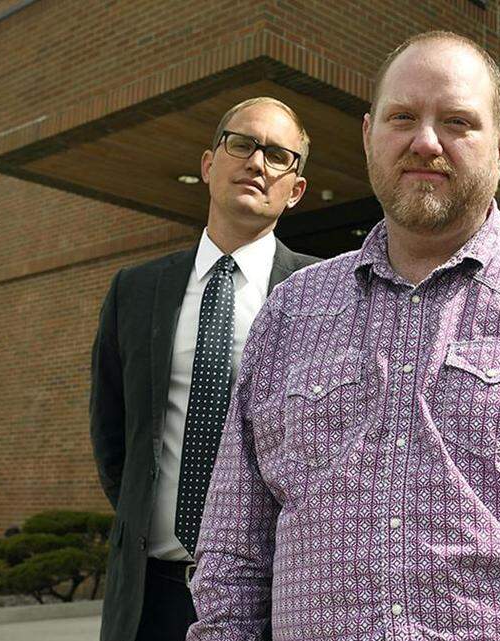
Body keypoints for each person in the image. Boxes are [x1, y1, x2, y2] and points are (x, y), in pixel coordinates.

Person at [188, 31, 500, 641]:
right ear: (369, 134)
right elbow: (231, 550)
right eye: (403, 117)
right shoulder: (291, 311)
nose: (425, 142)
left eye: (457, 122)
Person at [90, 96, 319, 641]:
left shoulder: (322, 294)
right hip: (150, 595)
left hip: (268, 601)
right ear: (208, 164)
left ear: (296, 190)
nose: (257, 163)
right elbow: (113, 436)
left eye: (278, 156)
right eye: (241, 144)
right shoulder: (135, 291)